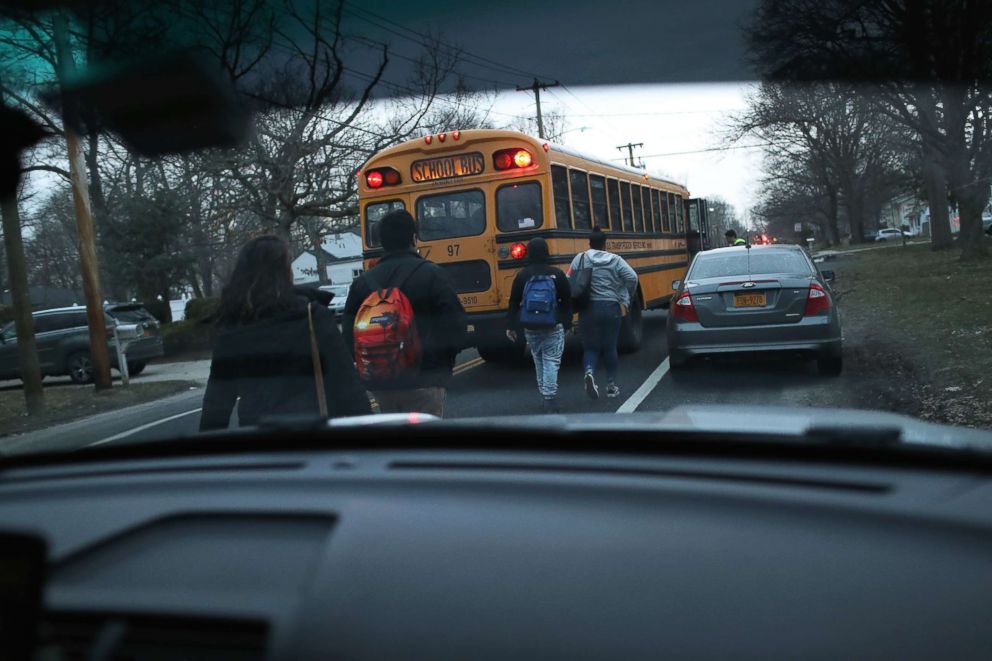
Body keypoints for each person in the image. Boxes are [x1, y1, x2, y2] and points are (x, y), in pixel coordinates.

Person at [200, 235, 372, 431]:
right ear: (285, 272)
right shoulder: (312, 317)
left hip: (260, 437)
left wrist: (207, 452)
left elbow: (218, 400)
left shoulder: (233, 327)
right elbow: (347, 385)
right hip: (314, 435)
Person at [343, 209, 467, 417]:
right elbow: (456, 324)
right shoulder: (433, 275)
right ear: (414, 238)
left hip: (381, 382)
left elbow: (348, 336)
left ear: (381, 241)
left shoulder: (362, 284)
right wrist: (444, 361)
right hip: (426, 376)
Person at [568, 227, 638, 401]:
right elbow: (632, 277)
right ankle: (611, 385)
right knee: (610, 347)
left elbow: (568, 278)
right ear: (605, 243)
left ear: (589, 243)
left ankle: (589, 372)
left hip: (588, 309)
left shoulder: (580, 258)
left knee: (591, 347)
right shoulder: (616, 260)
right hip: (610, 308)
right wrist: (626, 294)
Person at [506, 237, 572, 413]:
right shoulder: (557, 274)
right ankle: (549, 398)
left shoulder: (522, 275)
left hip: (530, 326)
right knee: (551, 360)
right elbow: (567, 300)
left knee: (539, 359)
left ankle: (545, 395)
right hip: (553, 323)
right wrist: (567, 323)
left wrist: (511, 326)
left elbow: (513, 301)